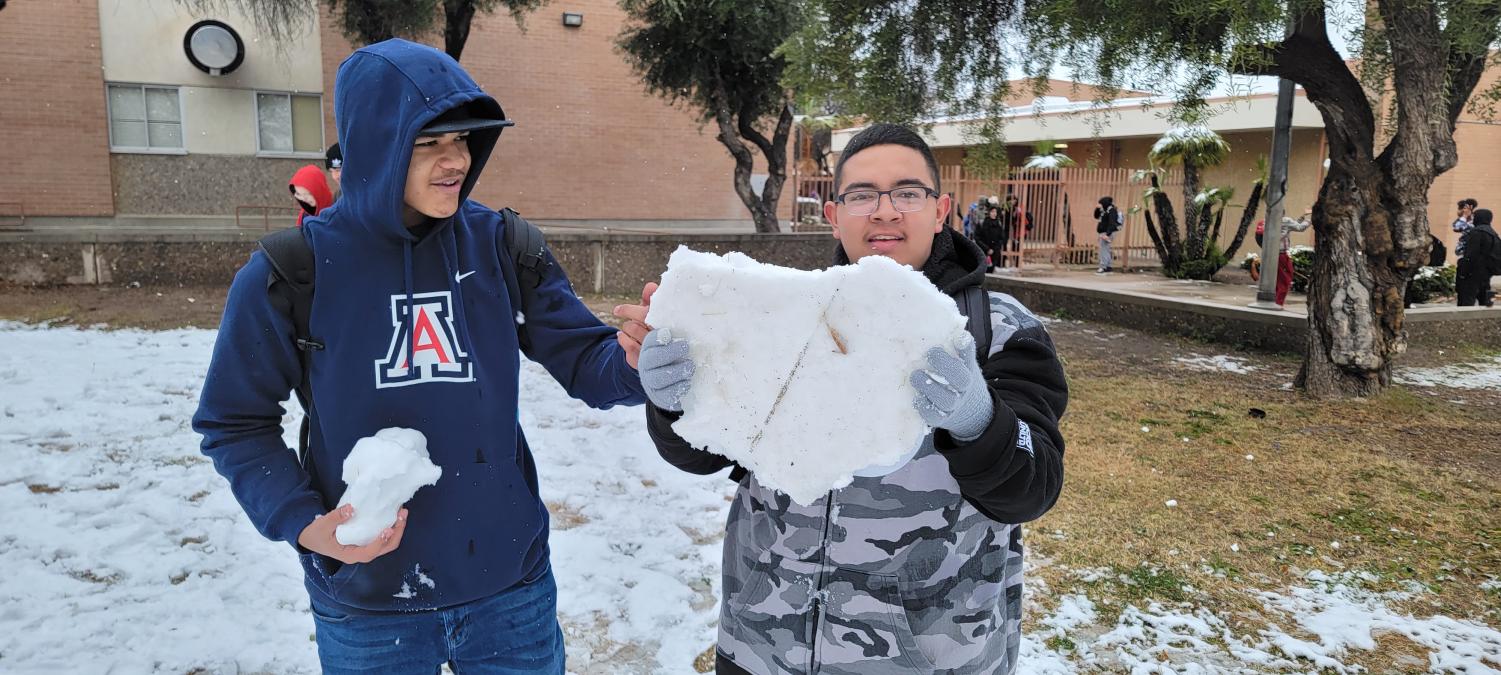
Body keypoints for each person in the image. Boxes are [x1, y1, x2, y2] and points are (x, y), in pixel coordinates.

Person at [192, 39, 646, 673]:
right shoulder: (291, 272)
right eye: (428, 142)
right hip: (367, 600)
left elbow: (588, 364)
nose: (455, 159)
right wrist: (304, 524)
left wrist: (637, 359)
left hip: (508, 589)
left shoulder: (503, 246)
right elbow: (233, 422)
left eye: (463, 139)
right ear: (376, 145)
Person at [614, 123, 1067, 674]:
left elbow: (1032, 486)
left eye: (907, 192)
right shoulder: (780, 315)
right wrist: (674, 405)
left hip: (926, 656)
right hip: (764, 641)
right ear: (834, 214)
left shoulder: (998, 330)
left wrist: (980, 419)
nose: (884, 211)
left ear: (941, 208)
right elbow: (708, 456)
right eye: (861, 195)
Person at [1457, 208, 1500, 307]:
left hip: (1472, 272)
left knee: (1466, 300)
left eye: (1474, 217)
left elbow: (1471, 254)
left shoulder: (1476, 232)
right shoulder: (1493, 234)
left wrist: (1464, 271)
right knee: (1484, 299)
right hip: (1486, 273)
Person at [1275, 209, 1312, 306]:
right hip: (1281, 255)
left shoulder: (1271, 221)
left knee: (1277, 279)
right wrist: (1311, 219)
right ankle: (1278, 303)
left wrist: (1302, 216)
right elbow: (1300, 228)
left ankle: (1276, 301)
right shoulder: (1285, 220)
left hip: (1273, 255)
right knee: (1285, 279)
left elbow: (1292, 226)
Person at [1094, 195, 1122, 274]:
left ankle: (1103, 267)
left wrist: (1107, 234)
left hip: (1107, 233)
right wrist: (1097, 208)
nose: (1100, 205)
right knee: (1106, 249)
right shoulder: (1104, 210)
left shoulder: (1111, 210)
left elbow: (1112, 223)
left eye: (1101, 203)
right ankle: (1108, 267)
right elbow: (1096, 216)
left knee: (1103, 250)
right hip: (1103, 232)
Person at [976, 205, 1006, 272]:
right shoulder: (982, 223)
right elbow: (977, 238)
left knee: (991, 270)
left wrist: (995, 248)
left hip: (995, 253)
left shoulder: (998, 223)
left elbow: (1002, 238)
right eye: (992, 211)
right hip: (983, 251)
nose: (994, 213)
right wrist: (987, 249)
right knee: (983, 271)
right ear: (989, 212)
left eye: (995, 212)